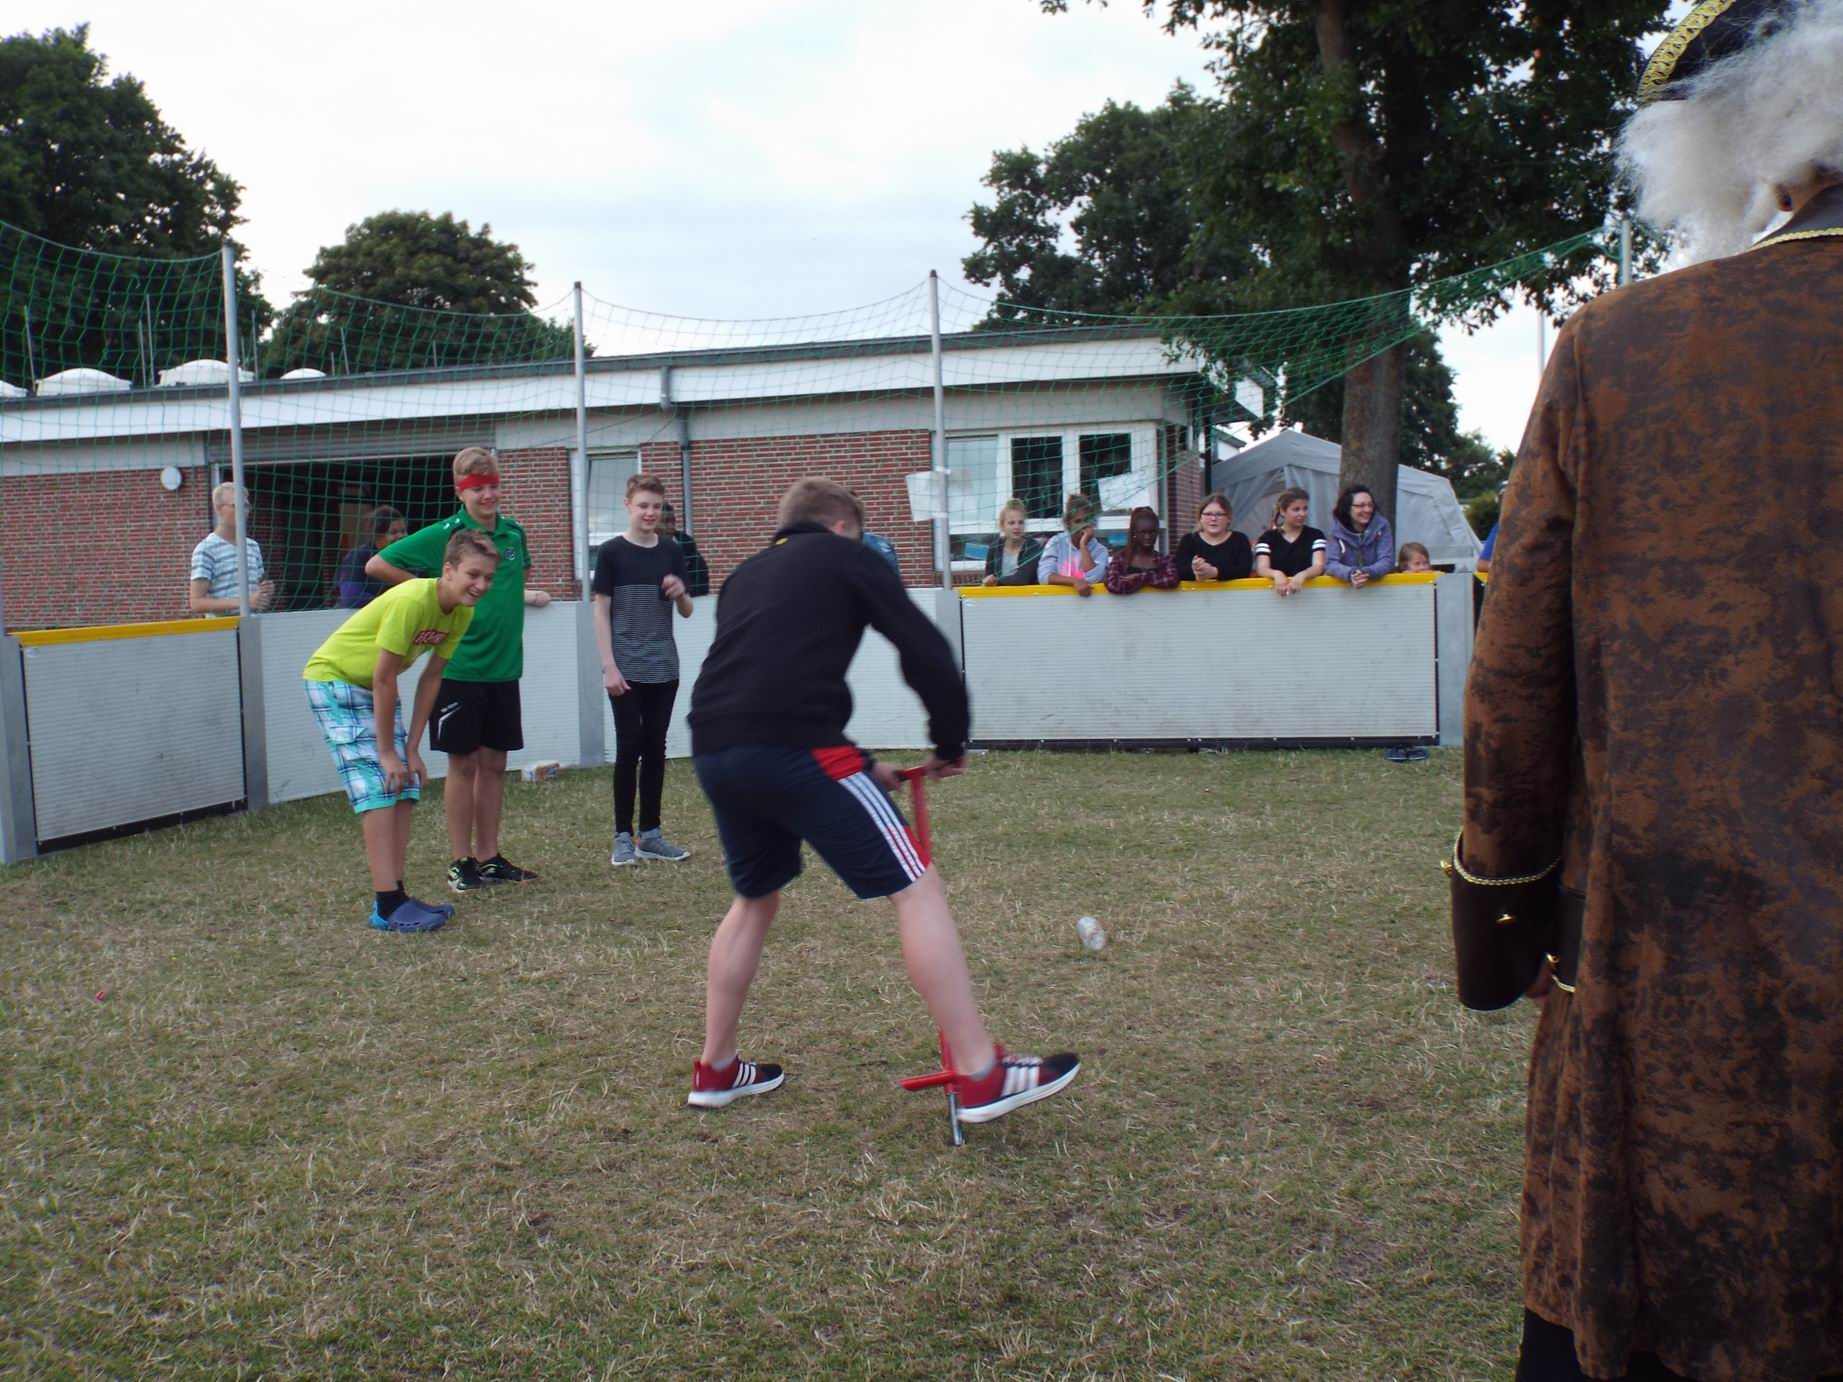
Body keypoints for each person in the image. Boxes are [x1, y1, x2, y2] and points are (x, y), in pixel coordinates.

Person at [1459, 5, 1843, 1378]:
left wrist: (1501, 925)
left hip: (1684, 982)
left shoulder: (1621, 349)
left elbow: (1515, 681)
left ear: (1748, 144)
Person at [683, 477, 1080, 1122]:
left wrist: (865, 766)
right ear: (844, 525)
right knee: (917, 886)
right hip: (795, 747)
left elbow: (772, 674)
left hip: (716, 748)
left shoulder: (745, 576)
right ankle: (981, 1073)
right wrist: (948, 741)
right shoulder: (849, 555)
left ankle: (716, 1068)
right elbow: (923, 650)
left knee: (754, 899)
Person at [367, 447, 550, 893]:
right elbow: (378, 564)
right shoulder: (448, 535)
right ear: (459, 492)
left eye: (493, 486)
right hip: (459, 666)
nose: (488, 495)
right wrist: (431, 590)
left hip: (504, 666)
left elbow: (515, 580)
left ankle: (489, 858)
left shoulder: (513, 533)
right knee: (463, 763)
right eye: (477, 488)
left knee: (495, 763)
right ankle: (460, 861)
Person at [302, 529, 499, 933]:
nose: (481, 585)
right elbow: (384, 677)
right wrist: (387, 753)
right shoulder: (413, 600)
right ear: (448, 570)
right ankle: (386, 904)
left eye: (488, 578)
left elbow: (431, 678)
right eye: (473, 575)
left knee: (404, 785)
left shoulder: (461, 613)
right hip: (335, 680)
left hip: (373, 687)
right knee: (378, 785)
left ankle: (396, 896)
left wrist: (410, 750)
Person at [593, 473, 695, 867]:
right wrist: (609, 666)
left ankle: (650, 835)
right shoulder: (612, 552)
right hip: (625, 667)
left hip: (664, 665)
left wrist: (680, 593)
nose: (650, 513)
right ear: (628, 506)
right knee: (628, 747)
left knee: (655, 749)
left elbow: (687, 611)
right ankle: (622, 837)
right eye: (643, 506)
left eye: (656, 506)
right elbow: (601, 610)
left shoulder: (671, 551)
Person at [189, 481, 275, 615]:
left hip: (253, 624)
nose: (243, 511)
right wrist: (244, 602)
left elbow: (254, 599)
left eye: (245, 506)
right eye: (236, 506)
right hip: (225, 627)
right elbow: (196, 602)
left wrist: (264, 594)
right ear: (218, 509)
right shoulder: (206, 549)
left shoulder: (252, 546)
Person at [1253, 487, 1326, 597]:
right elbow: (1262, 568)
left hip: (1310, 597)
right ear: (1283, 511)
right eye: (1296, 509)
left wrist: (1303, 575)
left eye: (1305, 508)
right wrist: (1276, 574)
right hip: (1274, 597)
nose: (1302, 514)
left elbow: (1318, 566)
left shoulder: (1316, 535)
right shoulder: (1267, 538)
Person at [1037, 493, 1111, 597]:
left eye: (1087, 520)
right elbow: (1044, 577)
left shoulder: (1100, 550)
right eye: (1078, 521)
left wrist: (1083, 546)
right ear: (1068, 524)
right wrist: (1073, 581)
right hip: (1059, 601)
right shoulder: (1056, 543)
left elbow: (1094, 578)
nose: (1083, 525)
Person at [1324, 485, 1394, 589]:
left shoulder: (1382, 526)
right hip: (1344, 592)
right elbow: (1330, 564)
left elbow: (1386, 560)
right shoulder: (1335, 531)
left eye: (1370, 505)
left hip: (1378, 590)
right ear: (1348, 508)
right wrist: (1351, 573)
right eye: (1361, 506)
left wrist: (1366, 572)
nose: (1367, 510)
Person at [335, 506, 406, 609]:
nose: (401, 536)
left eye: (403, 531)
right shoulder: (359, 556)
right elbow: (352, 597)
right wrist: (392, 603)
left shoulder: (407, 559)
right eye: (393, 532)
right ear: (377, 535)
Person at [1173, 492, 1253, 582]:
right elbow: (1179, 571)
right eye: (1208, 514)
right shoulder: (1189, 540)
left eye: (1219, 514)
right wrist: (1197, 571)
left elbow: (1244, 570)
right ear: (1200, 518)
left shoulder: (1240, 540)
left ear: (1228, 518)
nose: (1213, 518)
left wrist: (1214, 572)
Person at [1104, 506, 1180, 594]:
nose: (1147, 537)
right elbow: (1113, 585)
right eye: (1143, 532)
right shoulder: (1121, 558)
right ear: (1134, 533)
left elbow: (1172, 580)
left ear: (1157, 532)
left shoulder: (1165, 560)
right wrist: (1148, 581)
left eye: (1152, 532)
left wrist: (1140, 577)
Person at [981, 498, 1045, 585]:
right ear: (1002, 525)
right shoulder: (994, 547)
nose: (1017, 527)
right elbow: (988, 576)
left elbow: (1021, 580)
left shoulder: (1033, 546)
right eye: (1011, 523)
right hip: (999, 593)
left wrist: (996, 581)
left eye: (1020, 522)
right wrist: (988, 580)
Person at [659, 502, 711, 598]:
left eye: (673, 521)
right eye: (665, 521)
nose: (671, 526)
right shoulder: (644, 548)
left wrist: (686, 596)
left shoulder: (687, 545)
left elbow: (701, 578)